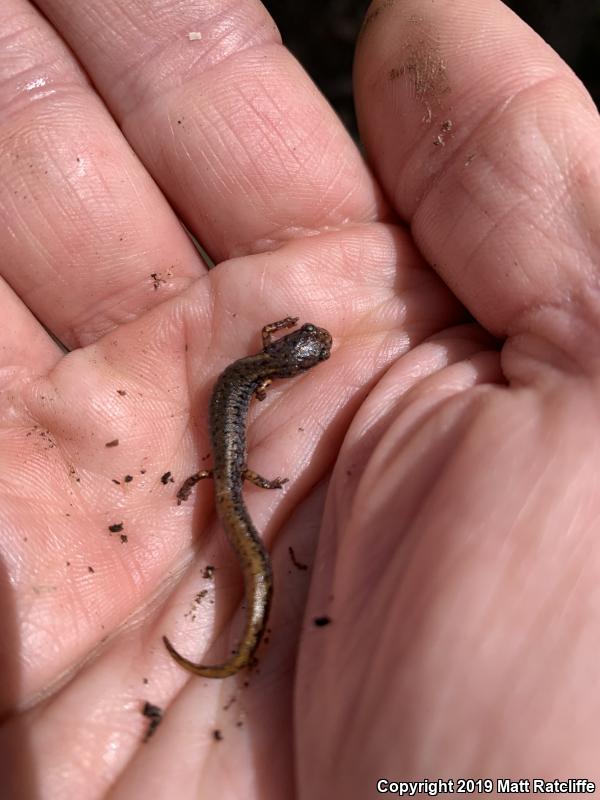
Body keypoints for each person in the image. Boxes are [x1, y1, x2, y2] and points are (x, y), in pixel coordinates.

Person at [1, 0, 598, 797]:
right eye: (298, 355)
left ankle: (244, 630)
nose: (299, 357)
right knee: (236, 485)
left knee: (235, 483)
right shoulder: (261, 379)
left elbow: (264, 374)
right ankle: (243, 616)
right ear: (286, 364)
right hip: (231, 462)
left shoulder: (259, 369)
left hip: (232, 461)